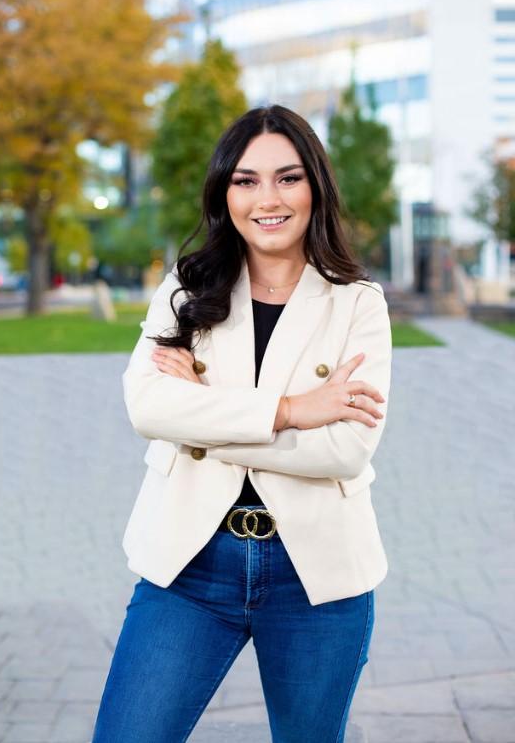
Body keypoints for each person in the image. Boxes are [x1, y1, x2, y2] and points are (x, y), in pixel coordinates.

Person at [91, 104, 392, 743]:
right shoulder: (187, 287)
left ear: (316, 186)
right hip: (190, 563)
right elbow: (147, 408)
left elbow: (344, 449)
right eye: (246, 180)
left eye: (287, 178)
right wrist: (291, 411)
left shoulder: (358, 305)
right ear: (224, 192)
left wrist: (202, 414)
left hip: (316, 575)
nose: (268, 199)